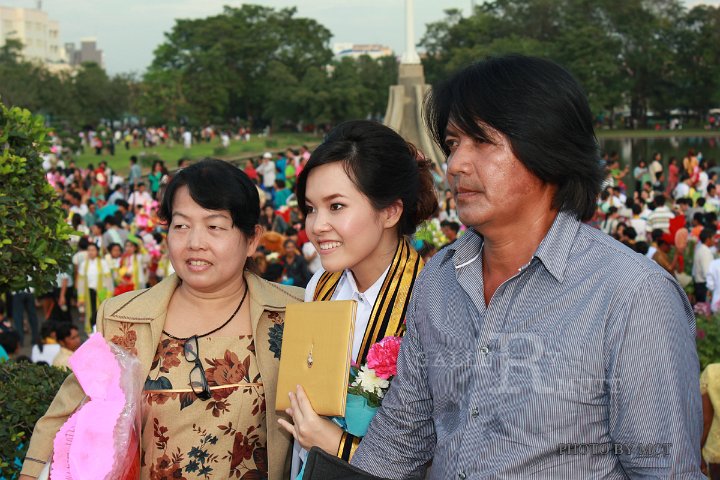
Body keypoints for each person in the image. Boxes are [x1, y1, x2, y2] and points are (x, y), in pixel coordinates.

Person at [347, 55, 702, 477]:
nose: (456, 164)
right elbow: (402, 436)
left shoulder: (632, 295)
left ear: (546, 147)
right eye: (453, 143)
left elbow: (663, 470)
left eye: (481, 141)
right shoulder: (439, 281)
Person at [19, 159, 304, 480]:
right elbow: (63, 417)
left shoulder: (293, 313)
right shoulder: (125, 318)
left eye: (214, 226)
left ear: (252, 239)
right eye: (181, 225)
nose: (195, 241)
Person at [277, 120, 437, 477]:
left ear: (391, 212)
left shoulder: (430, 298)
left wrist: (335, 444)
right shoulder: (321, 285)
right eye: (311, 208)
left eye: (336, 206)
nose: (316, 225)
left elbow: (438, 447)